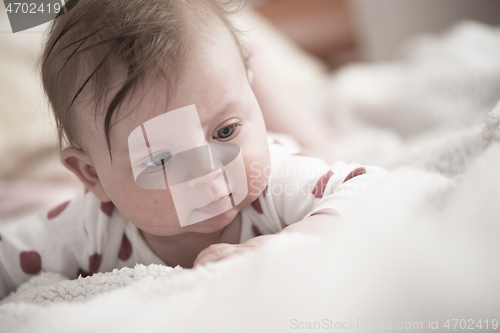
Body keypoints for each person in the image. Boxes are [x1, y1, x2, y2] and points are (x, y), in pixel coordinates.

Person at [0, 0, 386, 299]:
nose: (208, 173)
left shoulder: (272, 183)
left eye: (225, 131)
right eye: (161, 159)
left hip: (286, 140)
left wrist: (296, 240)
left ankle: (306, 130)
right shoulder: (90, 225)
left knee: (313, 148)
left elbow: (372, 188)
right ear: (92, 175)